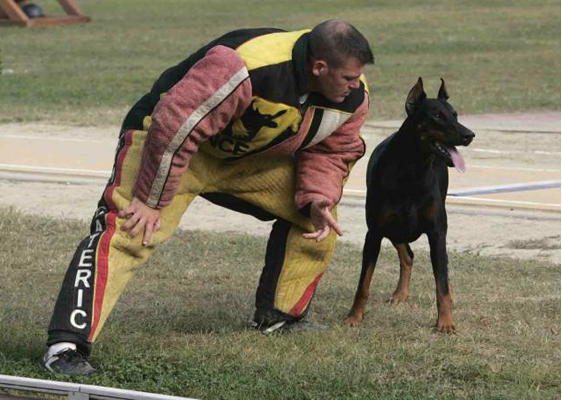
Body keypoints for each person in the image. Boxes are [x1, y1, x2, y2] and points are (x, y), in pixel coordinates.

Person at [42, 19, 374, 375]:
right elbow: (175, 124)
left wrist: (318, 196)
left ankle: (280, 318)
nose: (355, 86)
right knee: (130, 229)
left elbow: (333, 150)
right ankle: (65, 347)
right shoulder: (245, 64)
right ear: (319, 67)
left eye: (357, 78)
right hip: (168, 146)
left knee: (316, 216)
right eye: (348, 78)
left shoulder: (352, 97)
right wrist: (151, 199)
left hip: (245, 160)